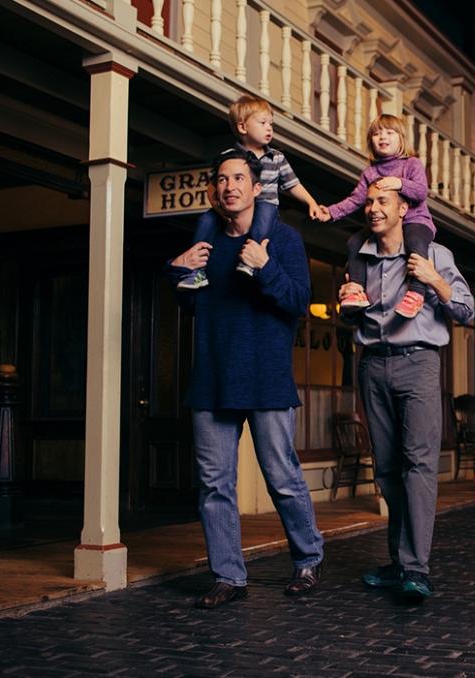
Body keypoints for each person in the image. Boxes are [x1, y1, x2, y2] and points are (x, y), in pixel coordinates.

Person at [167, 149, 324, 609]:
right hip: (212, 379)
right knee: (215, 484)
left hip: (265, 377)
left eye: (239, 178)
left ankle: (309, 559)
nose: (230, 185)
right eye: (222, 179)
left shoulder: (283, 238)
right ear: (215, 191)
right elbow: (192, 304)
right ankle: (228, 576)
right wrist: (178, 269)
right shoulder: (206, 243)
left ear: (257, 188)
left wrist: (264, 266)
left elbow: (298, 301)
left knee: (282, 476)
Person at [338, 184, 474, 602]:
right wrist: (345, 300)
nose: (373, 208)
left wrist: (435, 281)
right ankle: (399, 562)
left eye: (383, 202)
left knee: (419, 466)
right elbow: (353, 320)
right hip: (372, 365)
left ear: (404, 208)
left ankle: (416, 568)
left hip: (419, 362)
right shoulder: (359, 256)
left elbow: (467, 311)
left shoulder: (434, 253)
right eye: (369, 202)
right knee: (387, 469)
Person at [178, 94, 321, 288]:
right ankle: (196, 270)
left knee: (265, 211)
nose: (269, 128)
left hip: (266, 206)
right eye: (263, 123)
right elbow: (212, 189)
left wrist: (311, 203)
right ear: (243, 127)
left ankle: (250, 261)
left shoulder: (276, 157)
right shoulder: (228, 158)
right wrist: (222, 213)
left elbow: (292, 184)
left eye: (271, 124)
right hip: (232, 211)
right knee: (206, 220)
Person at [319, 114, 436, 319]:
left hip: (415, 220)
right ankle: (356, 288)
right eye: (377, 133)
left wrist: (398, 183)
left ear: (401, 139)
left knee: (415, 243)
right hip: (385, 223)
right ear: (371, 141)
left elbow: (420, 192)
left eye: (390, 133)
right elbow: (356, 199)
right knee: (355, 241)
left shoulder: (412, 164)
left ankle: (417, 292)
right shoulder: (370, 172)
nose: (383, 137)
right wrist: (330, 212)